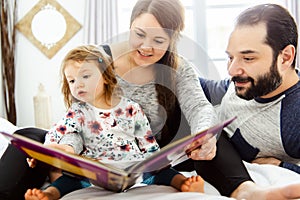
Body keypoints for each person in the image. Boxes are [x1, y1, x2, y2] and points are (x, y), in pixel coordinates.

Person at [24, 45, 205, 200]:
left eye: (85, 76)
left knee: (163, 173)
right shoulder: (77, 113)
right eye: (72, 80)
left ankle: (184, 183)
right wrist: (41, 155)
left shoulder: (131, 108)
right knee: (70, 179)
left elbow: (148, 143)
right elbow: (55, 135)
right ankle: (49, 194)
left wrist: (156, 162)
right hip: (95, 173)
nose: (77, 84)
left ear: (105, 76)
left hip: (132, 168)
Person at [195, 3, 300, 200]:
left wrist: (281, 166)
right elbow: (197, 86)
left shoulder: (294, 115)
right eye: (231, 57)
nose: (232, 70)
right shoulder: (237, 87)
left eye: (248, 58)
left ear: (285, 58)